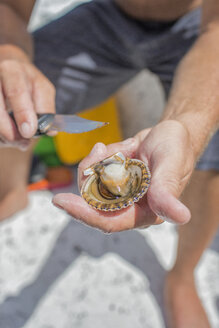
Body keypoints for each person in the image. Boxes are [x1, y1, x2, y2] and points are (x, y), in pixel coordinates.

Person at [0, 0, 218, 327]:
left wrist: (186, 128)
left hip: (201, 28)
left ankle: (183, 275)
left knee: (210, 149)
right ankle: (10, 191)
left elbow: (215, 33)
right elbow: (10, 7)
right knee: (12, 100)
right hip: (109, 16)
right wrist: (11, 55)